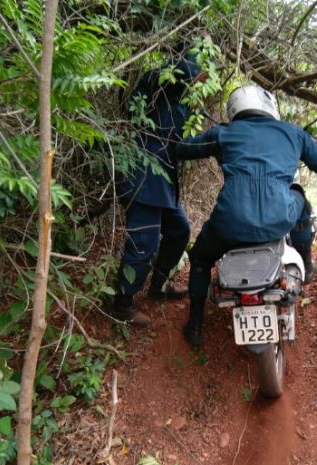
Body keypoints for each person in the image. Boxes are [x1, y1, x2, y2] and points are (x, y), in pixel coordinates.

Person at [174, 85, 317, 346]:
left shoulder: (223, 134)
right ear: (269, 106)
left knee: (201, 258)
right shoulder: (293, 133)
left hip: (229, 223)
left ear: (233, 110)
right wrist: (306, 146)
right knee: (298, 195)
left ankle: (195, 324)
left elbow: (181, 149)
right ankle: (306, 261)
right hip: (279, 220)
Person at [112, 46, 207, 327]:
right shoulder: (156, 83)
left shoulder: (182, 103)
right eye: (198, 70)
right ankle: (122, 304)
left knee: (179, 230)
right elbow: (173, 73)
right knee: (144, 242)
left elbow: (181, 143)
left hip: (163, 183)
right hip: (142, 177)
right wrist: (195, 65)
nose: (200, 79)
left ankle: (158, 286)